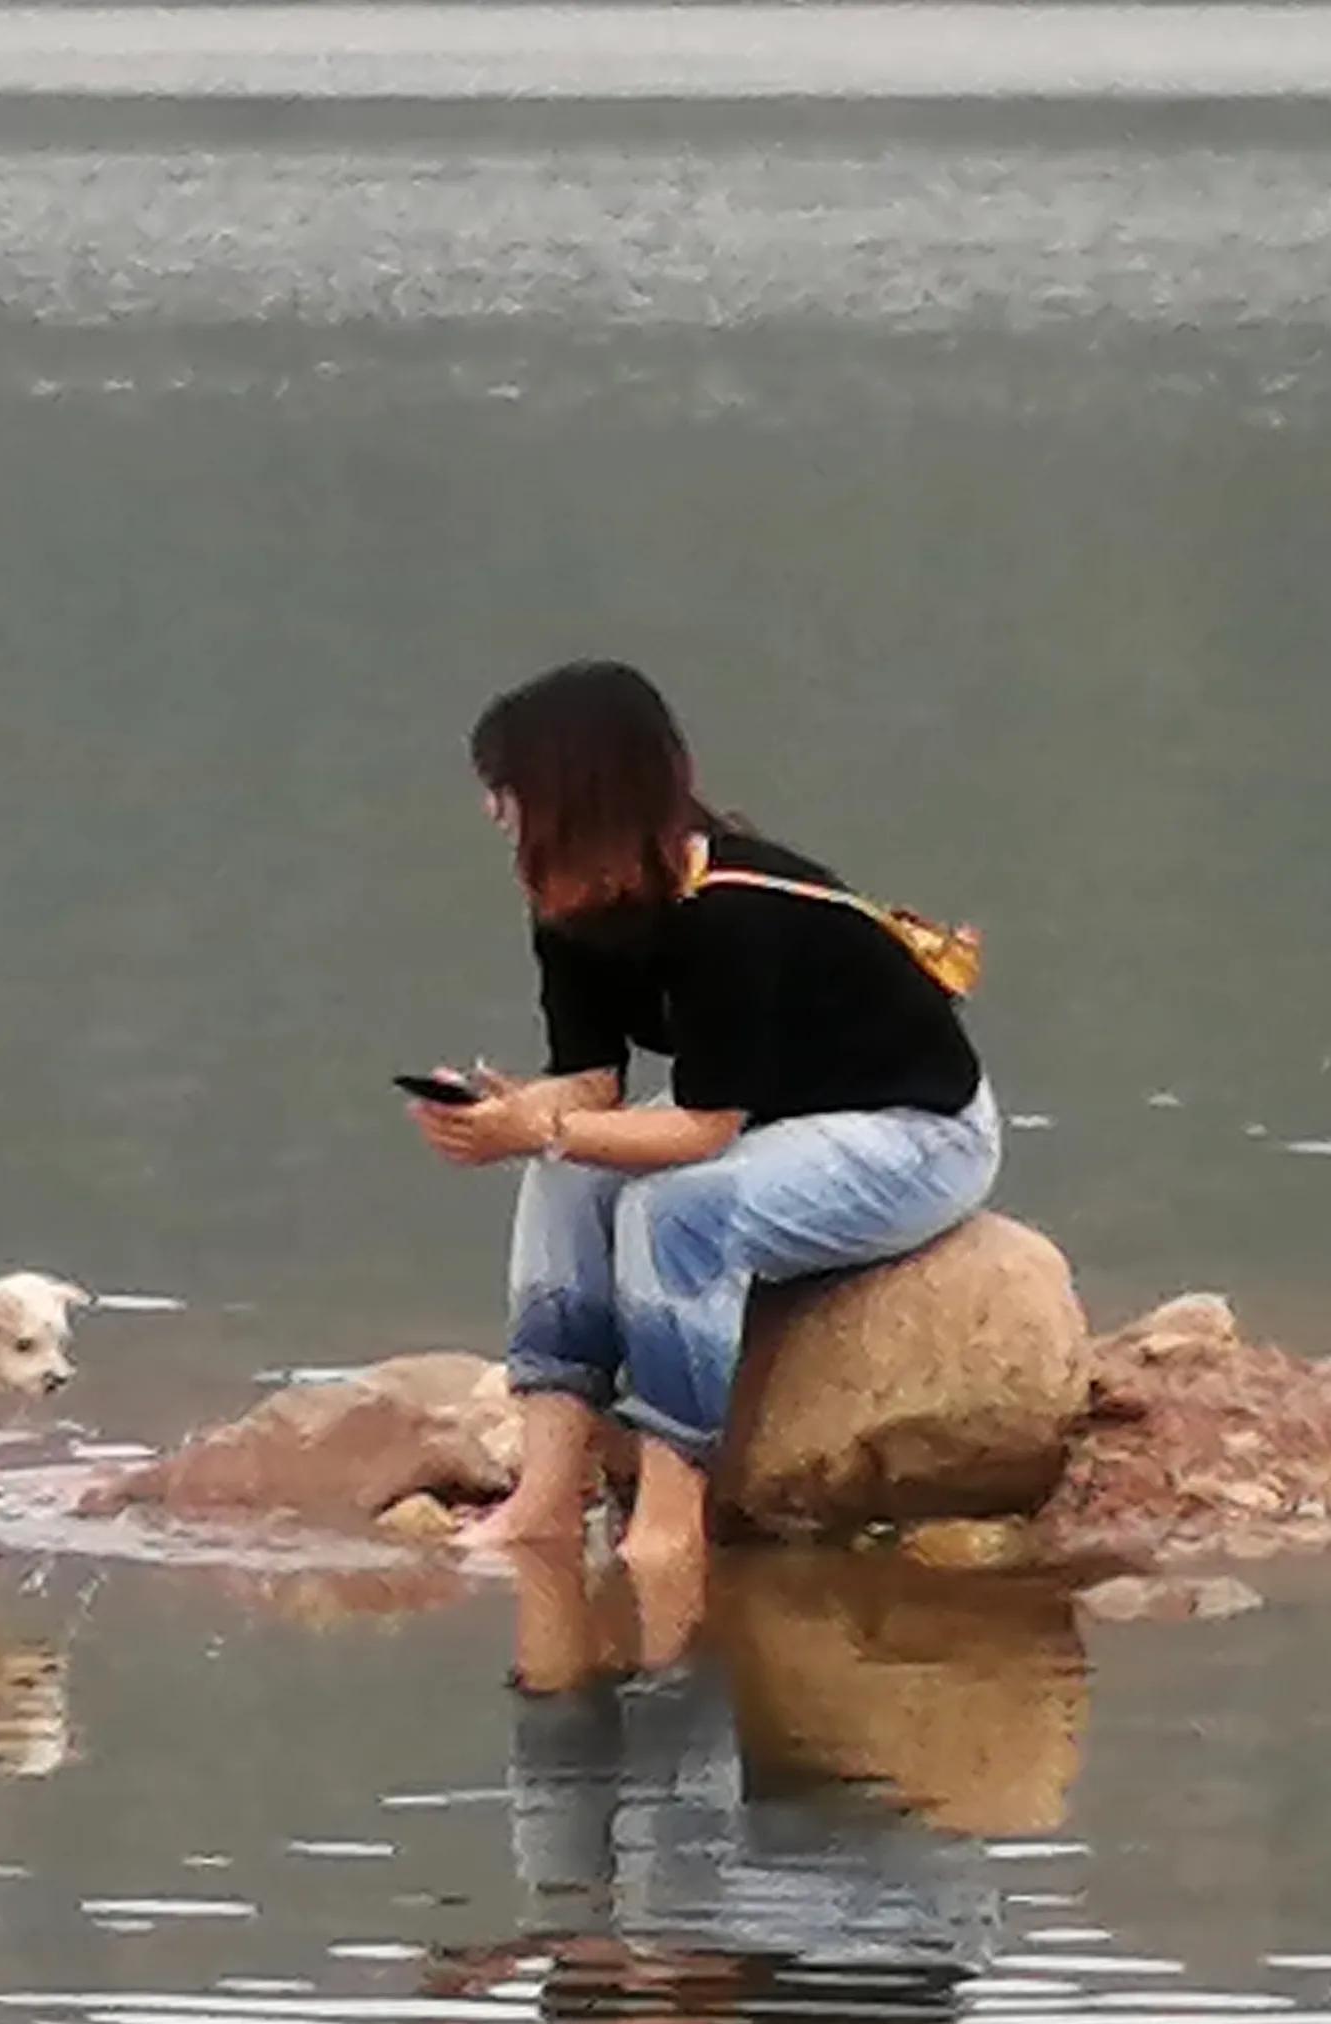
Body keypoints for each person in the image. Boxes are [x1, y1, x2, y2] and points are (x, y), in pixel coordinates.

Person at [413, 661, 1001, 1586]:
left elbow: (703, 1132)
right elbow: (592, 1088)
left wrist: (541, 1128)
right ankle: (546, 1498)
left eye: (508, 788)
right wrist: (517, 1115)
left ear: (574, 793)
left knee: (674, 1212)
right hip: (772, 1118)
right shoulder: (574, 909)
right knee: (563, 1176)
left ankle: (672, 1512)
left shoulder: (732, 909)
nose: (495, 812)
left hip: (915, 1131)